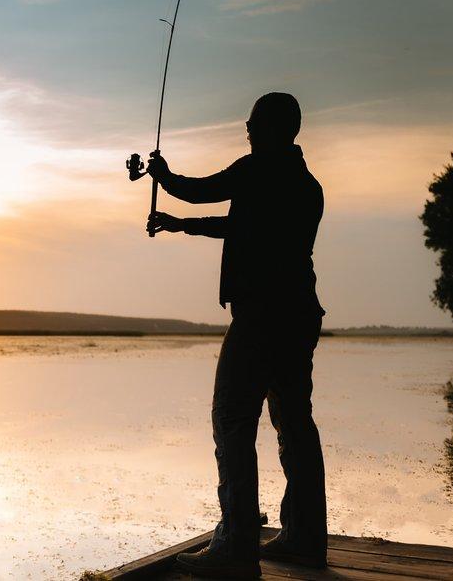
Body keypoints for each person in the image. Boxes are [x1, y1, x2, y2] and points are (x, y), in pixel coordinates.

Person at [145, 92, 327, 579]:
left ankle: (236, 540)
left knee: (231, 415)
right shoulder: (308, 186)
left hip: (261, 316)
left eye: (252, 123)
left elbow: (201, 190)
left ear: (271, 127)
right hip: (300, 314)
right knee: (294, 423)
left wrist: (163, 178)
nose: (245, 130)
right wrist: (181, 224)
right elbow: (243, 225)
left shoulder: (254, 170)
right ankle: (306, 538)